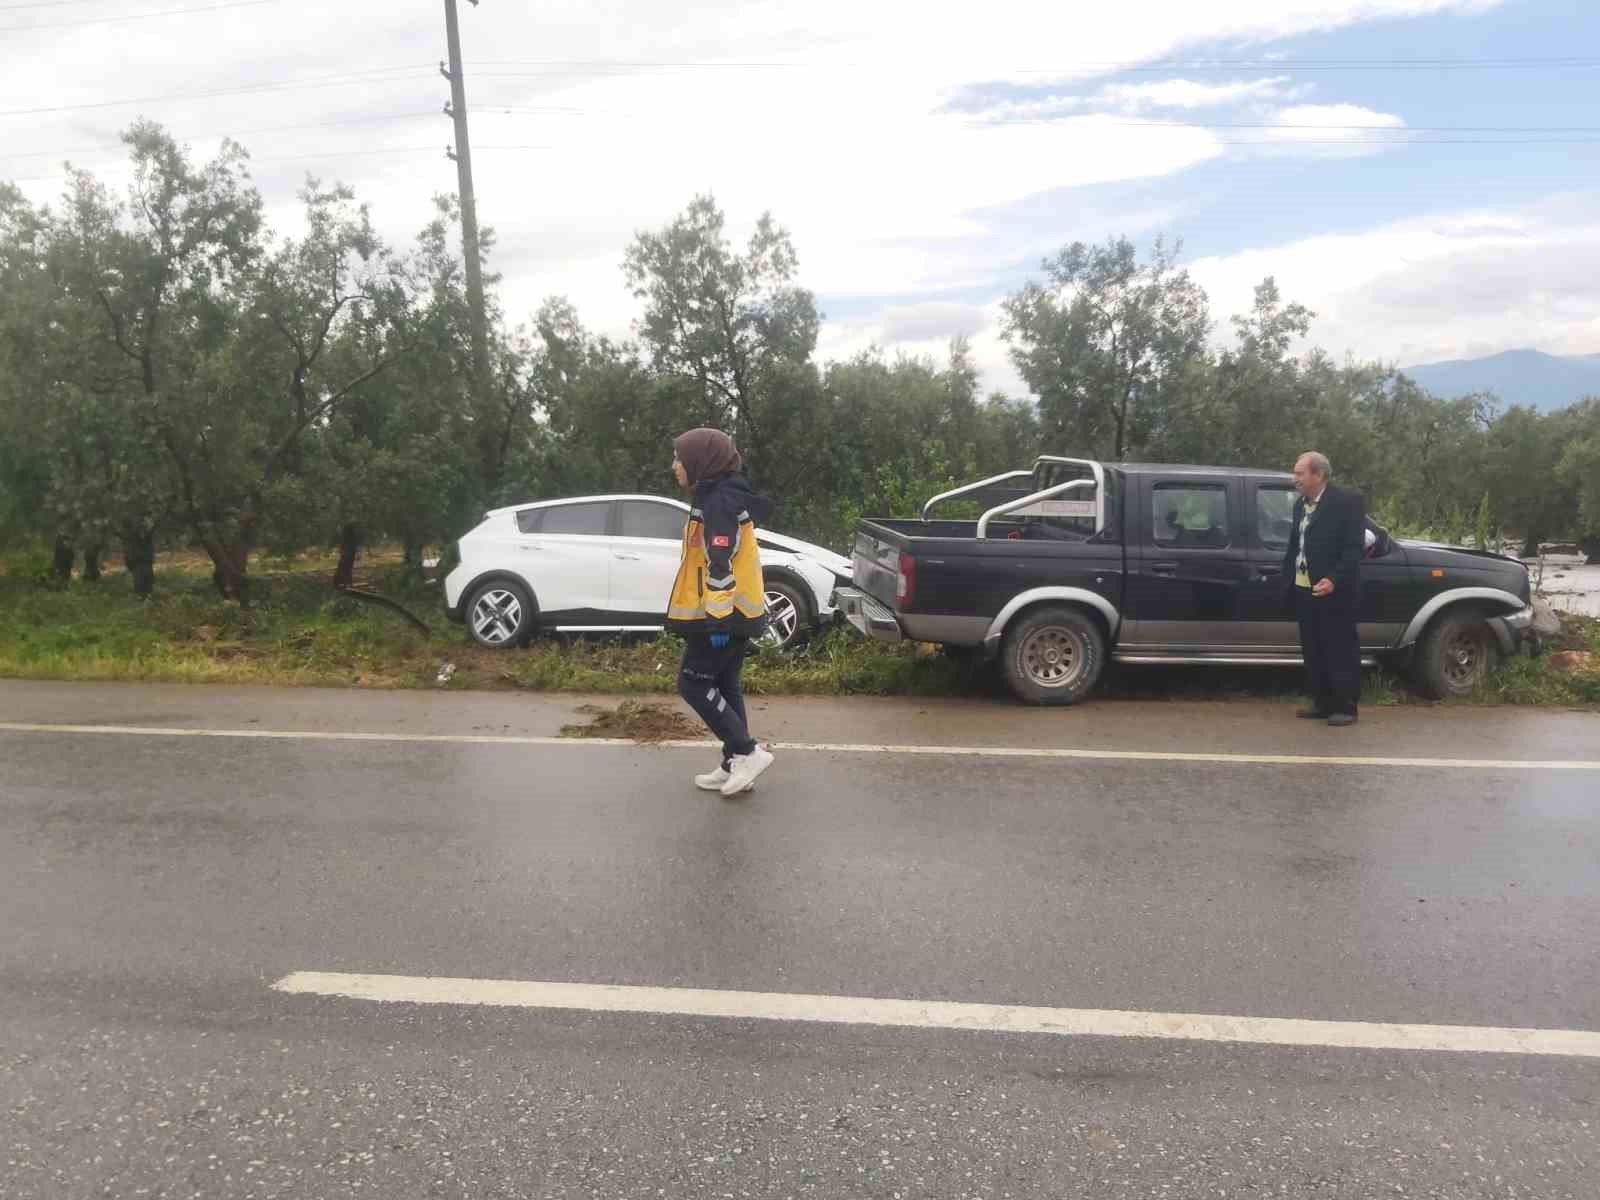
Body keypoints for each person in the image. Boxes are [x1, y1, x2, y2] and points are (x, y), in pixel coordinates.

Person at [666, 428, 776, 795]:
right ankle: (734, 762)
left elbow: (720, 565)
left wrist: (716, 621)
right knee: (726, 684)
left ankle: (747, 752)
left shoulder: (718, 503)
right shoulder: (715, 495)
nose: (674, 466)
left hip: (725, 613)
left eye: (679, 459)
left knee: (693, 683)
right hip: (732, 611)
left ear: (701, 461)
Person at [1281, 451, 1365, 727]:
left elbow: (1353, 549)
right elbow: (1295, 546)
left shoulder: (1347, 502)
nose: (1295, 479)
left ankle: (1346, 706)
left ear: (1319, 475)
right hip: (1305, 588)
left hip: (1335, 591)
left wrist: (1333, 579)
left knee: (1339, 648)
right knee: (1313, 648)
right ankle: (1322, 703)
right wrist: (1287, 580)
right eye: (1295, 473)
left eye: (1299, 473)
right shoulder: (1300, 505)